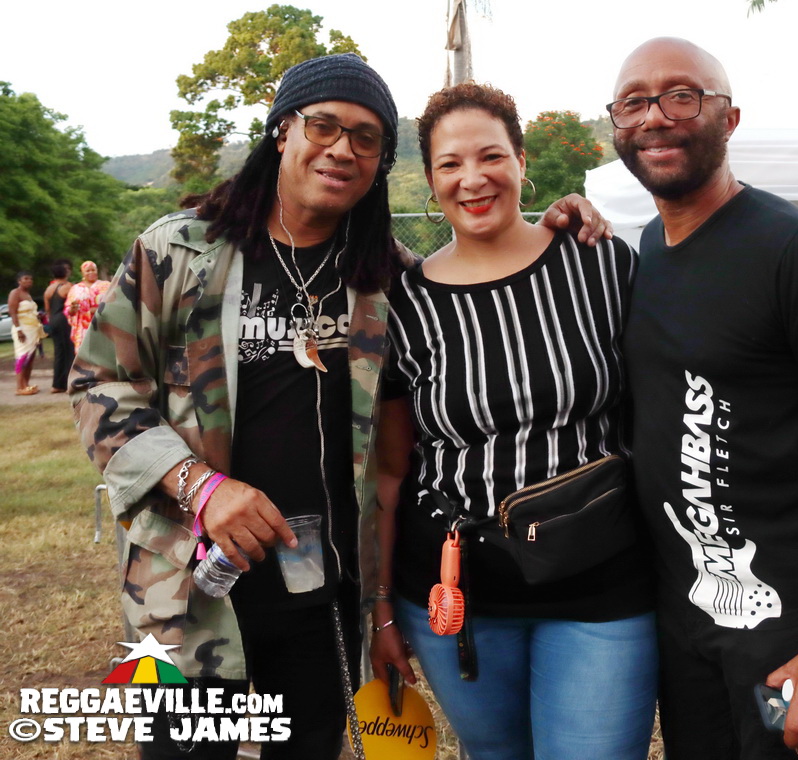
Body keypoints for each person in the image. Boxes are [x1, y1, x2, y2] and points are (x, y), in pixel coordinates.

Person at [71, 54, 608, 760]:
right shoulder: (181, 252)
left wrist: (559, 228)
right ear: (281, 132)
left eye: (366, 138)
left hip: (321, 596)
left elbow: (478, 288)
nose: (342, 149)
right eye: (323, 126)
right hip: (188, 590)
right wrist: (199, 487)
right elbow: (99, 382)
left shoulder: (388, 279)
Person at [609, 38, 798, 759]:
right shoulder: (643, 250)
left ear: (729, 118)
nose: (657, 116)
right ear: (616, 125)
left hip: (789, 624)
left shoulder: (796, 247)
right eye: (635, 101)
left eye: (684, 95)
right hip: (684, 621)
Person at [370, 83, 657, 760]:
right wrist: (381, 606)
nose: (473, 178)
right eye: (450, 164)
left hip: (602, 579)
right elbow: (389, 471)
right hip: (457, 593)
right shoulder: (404, 306)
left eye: (490, 155)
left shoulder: (598, 262)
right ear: (430, 178)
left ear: (521, 161)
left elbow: (684, 368)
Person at [9, 271, 45, 396]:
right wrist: (19, 329)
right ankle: (19, 386)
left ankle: (26, 384)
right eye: (26, 278)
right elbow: (13, 312)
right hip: (22, 330)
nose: (29, 281)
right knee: (22, 357)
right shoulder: (15, 293)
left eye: (30, 279)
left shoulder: (28, 295)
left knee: (30, 358)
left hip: (33, 330)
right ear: (19, 281)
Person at [42, 259, 74, 393]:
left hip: (53, 320)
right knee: (69, 351)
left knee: (59, 352)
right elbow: (72, 305)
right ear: (66, 272)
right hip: (64, 319)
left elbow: (47, 309)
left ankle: (57, 384)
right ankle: (69, 384)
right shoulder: (68, 286)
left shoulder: (48, 289)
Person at [64, 260, 109, 350]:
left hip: (103, 324)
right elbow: (68, 309)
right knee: (85, 353)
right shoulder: (75, 289)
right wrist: (72, 309)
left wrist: (96, 310)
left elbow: (114, 303)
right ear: (82, 273)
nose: (91, 272)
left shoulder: (106, 285)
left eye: (93, 270)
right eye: (87, 270)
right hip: (83, 327)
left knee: (102, 352)